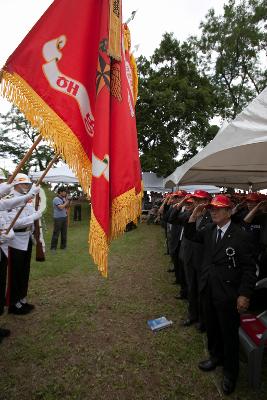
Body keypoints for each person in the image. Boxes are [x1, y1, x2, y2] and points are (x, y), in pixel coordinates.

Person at [184, 194, 257, 395]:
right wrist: (193, 216)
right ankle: (215, 357)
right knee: (212, 328)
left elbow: (249, 269)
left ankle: (230, 373)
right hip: (209, 288)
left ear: (228, 211)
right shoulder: (209, 230)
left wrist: (244, 294)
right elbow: (191, 235)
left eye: (217, 208)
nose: (212, 211)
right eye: (211, 209)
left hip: (228, 293)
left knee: (229, 334)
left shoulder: (241, 235)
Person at [7, 174, 42, 315]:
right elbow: (14, 223)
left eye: (28, 184)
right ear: (15, 184)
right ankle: (13, 304)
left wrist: (35, 233)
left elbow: (32, 214)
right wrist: (34, 217)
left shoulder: (27, 198)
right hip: (15, 240)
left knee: (25, 271)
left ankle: (22, 299)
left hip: (26, 237)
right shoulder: (9, 199)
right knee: (15, 273)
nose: (26, 186)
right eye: (24, 184)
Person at [50, 186, 70, 252]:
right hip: (58, 218)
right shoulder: (56, 199)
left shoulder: (63, 199)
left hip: (64, 217)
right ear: (60, 192)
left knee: (64, 233)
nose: (65, 193)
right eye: (64, 192)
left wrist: (68, 201)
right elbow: (61, 207)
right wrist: (66, 202)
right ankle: (53, 248)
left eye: (65, 192)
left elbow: (66, 207)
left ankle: (63, 247)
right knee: (56, 233)